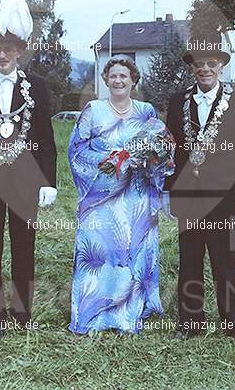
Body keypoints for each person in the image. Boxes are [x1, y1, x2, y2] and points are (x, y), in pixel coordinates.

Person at [0, 0, 57, 338]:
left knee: (24, 250)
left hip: (25, 182)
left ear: (20, 51)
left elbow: (46, 139)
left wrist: (48, 181)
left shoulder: (39, 87)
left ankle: (22, 312)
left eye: (9, 49)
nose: (2, 55)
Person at [163, 29, 235, 347]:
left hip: (224, 200)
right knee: (189, 261)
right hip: (188, 198)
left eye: (211, 63)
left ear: (221, 66)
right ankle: (190, 322)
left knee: (225, 263)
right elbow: (171, 151)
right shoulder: (178, 102)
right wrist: (167, 189)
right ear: (191, 67)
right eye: (198, 64)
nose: (204, 69)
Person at [68, 55, 175, 334]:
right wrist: (113, 159)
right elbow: (77, 152)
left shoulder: (146, 111)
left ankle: (130, 314)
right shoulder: (93, 110)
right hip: (102, 197)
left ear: (133, 80)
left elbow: (161, 150)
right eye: (113, 76)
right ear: (105, 80)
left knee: (131, 253)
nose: (118, 80)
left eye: (123, 76)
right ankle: (95, 314)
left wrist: (150, 160)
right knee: (102, 253)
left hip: (137, 197)